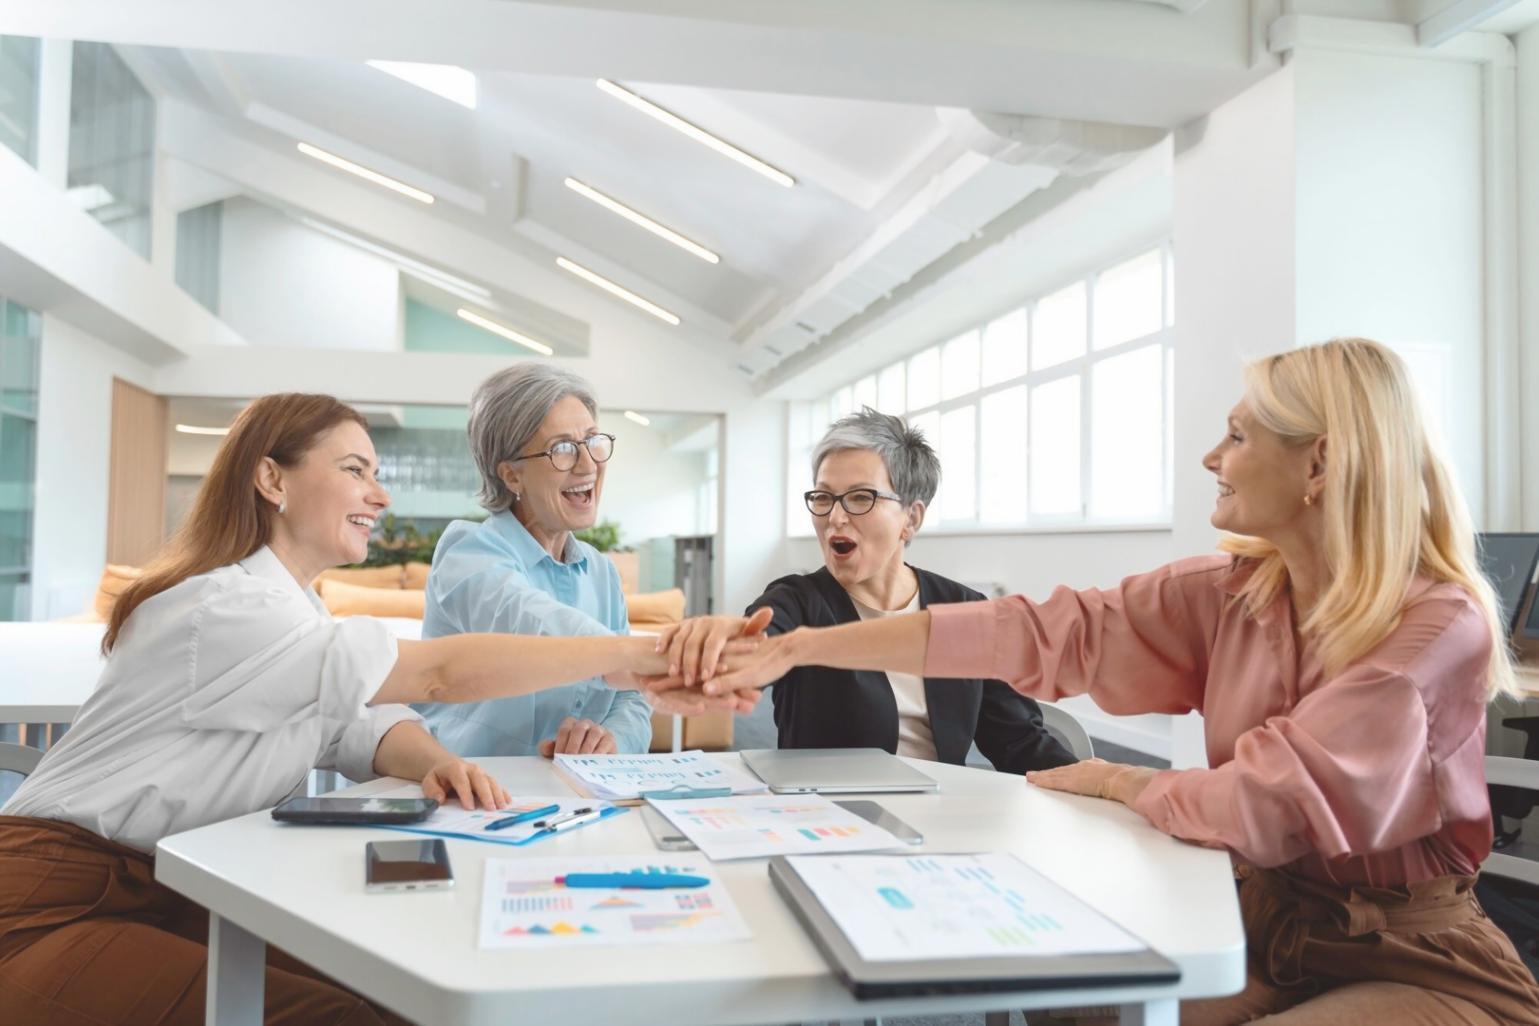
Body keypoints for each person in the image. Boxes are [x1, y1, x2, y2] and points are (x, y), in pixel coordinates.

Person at [654, 339, 1539, 1025]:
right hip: (1266, 915)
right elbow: (1036, 632)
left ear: (1319, 466)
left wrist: (1118, 779)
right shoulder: (1233, 590)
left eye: (1236, 436)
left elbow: (1267, 802)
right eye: (824, 500)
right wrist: (797, 648)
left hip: (1408, 950)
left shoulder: (1438, 624)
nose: (1210, 457)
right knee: (1081, 998)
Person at [0, 393, 748, 1026]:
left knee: (399, 992)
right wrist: (653, 657)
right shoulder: (228, 606)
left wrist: (440, 765)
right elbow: (444, 674)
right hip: (48, 899)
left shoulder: (289, 612)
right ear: (271, 478)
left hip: (171, 883)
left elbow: (362, 724)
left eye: (377, 474)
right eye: (355, 471)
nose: (381, 495)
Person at [670, 408, 1073, 772]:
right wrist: (720, 647)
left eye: (861, 497)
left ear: (910, 518)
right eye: (823, 498)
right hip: (827, 823)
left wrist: (1109, 782)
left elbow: (1020, 742)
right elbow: (754, 646)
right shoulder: (797, 600)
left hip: (940, 824)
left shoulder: (964, 608)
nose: (835, 517)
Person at [415, 364, 652, 759]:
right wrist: (651, 657)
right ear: (511, 475)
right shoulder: (468, 552)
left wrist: (612, 740)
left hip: (574, 795)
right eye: (561, 448)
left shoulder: (600, 572)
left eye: (592, 441)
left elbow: (629, 698)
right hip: (470, 794)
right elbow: (533, 624)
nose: (588, 464)